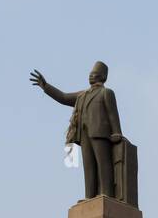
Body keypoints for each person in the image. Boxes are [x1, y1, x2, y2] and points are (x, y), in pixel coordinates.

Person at [30, 62, 124, 200]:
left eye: (94, 73)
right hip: (84, 134)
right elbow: (63, 97)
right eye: (90, 73)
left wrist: (117, 132)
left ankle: (107, 193)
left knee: (103, 164)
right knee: (89, 166)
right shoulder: (82, 95)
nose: (91, 76)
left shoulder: (106, 93)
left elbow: (112, 113)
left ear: (103, 76)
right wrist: (46, 86)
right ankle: (89, 196)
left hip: (100, 133)